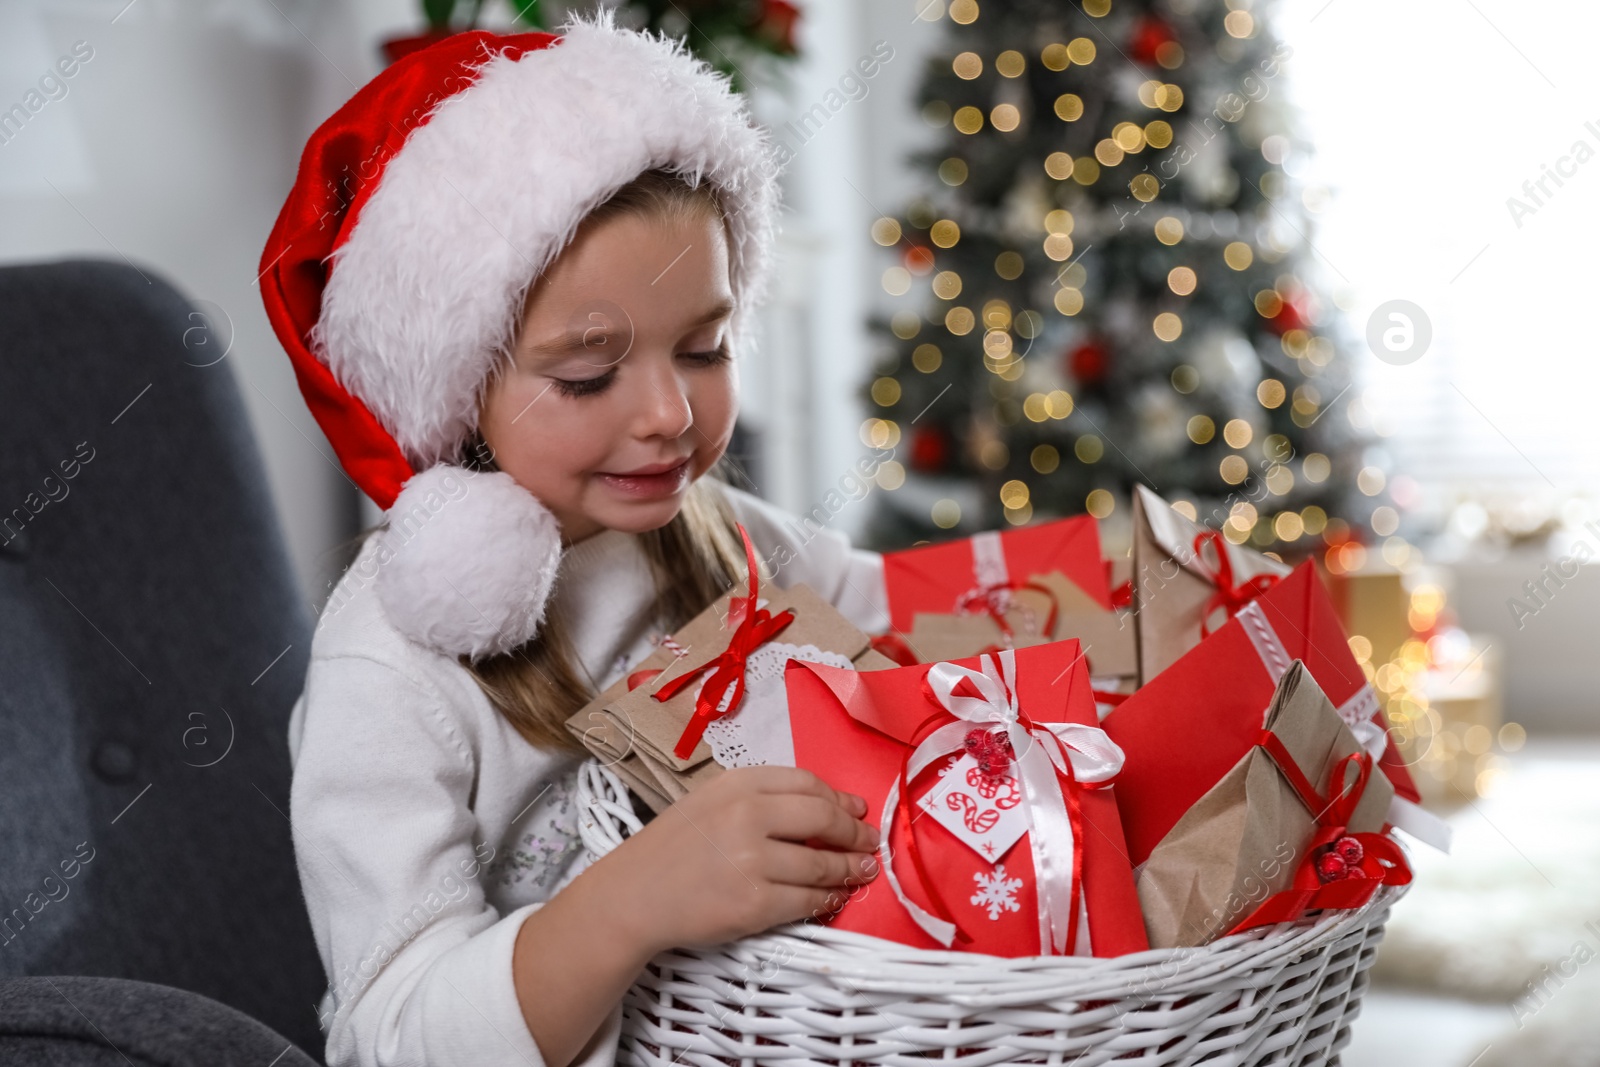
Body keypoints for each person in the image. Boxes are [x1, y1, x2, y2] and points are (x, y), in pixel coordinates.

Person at [258, 13, 887, 1067]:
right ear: (454, 390)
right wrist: (627, 901)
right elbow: (392, 1036)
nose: (670, 417)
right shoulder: (393, 666)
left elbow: (909, 620)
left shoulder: (719, 536)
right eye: (588, 373)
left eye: (705, 346)